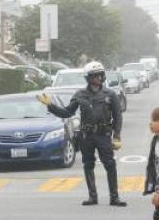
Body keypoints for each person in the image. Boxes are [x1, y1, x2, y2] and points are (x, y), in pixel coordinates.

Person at [39, 62, 126, 206]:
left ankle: (114, 197)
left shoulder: (110, 94)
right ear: (89, 78)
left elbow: (118, 116)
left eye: (100, 74)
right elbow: (67, 112)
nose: (99, 77)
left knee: (110, 164)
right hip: (87, 135)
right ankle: (93, 197)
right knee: (88, 164)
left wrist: (117, 135)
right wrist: (50, 105)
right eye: (95, 75)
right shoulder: (80, 95)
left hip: (104, 134)